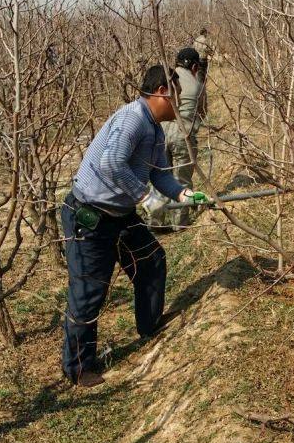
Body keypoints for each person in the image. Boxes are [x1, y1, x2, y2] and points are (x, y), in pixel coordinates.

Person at [61, 65, 200, 388]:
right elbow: (111, 163)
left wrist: (182, 193)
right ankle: (78, 367)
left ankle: (149, 326)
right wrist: (144, 196)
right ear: (163, 92)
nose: (179, 104)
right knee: (89, 291)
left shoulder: (155, 130)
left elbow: (159, 173)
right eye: (176, 96)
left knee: (151, 260)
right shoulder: (133, 118)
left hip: (120, 214)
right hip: (91, 215)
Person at [147, 47, 205, 230]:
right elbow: (203, 111)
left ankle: (155, 222)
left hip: (161, 134)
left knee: (159, 178)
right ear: (195, 67)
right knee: (182, 181)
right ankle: (179, 223)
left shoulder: (167, 79)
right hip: (184, 136)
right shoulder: (198, 84)